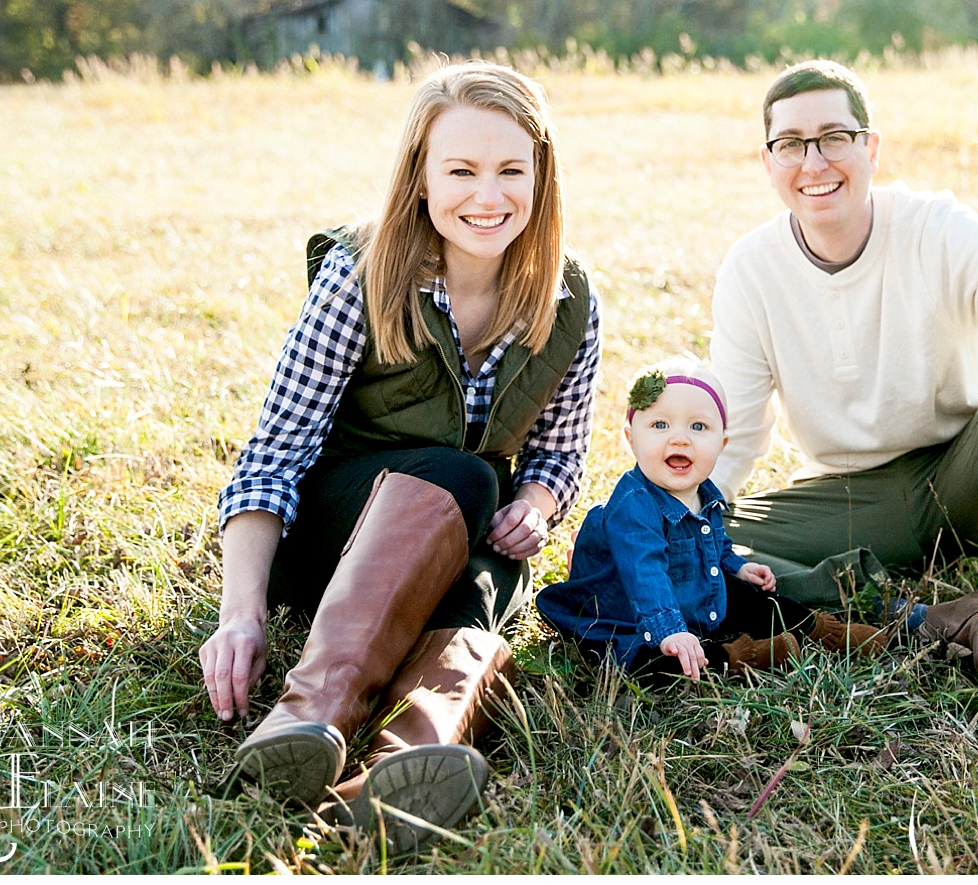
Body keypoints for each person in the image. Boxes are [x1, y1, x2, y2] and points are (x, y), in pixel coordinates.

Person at [198, 61, 601, 849]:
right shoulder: (362, 275)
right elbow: (274, 455)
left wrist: (537, 506)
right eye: (460, 170)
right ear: (420, 177)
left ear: (540, 175)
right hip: (328, 540)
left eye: (510, 170)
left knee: (499, 562)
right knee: (465, 473)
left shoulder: (568, 301)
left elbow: (559, 455)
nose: (488, 196)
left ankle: (415, 749)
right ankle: (309, 715)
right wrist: (240, 613)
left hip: (456, 544)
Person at [709, 59, 978, 791]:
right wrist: (681, 522)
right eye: (791, 143)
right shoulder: (750, 270)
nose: (814, 161)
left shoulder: (933, 228)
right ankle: (937, 624)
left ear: (871, 148)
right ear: (768, 161)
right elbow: (740, 433)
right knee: (698, 540)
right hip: (855, 496)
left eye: (834, 137)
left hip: (968, 475)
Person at [536, 358, 888, 687]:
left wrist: (737, 566)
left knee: (752, 598)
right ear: (631, 438)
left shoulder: (704, 493)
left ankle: (823, 631)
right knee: (649, 662)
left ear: (721, 444)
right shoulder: (633, 508)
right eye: (659, 425)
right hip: (628, 612)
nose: (679, 438)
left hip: (689, 590)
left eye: (698, 426)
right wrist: (668, 630)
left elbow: (713, 546)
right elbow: (645, 573)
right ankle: (741, 657)